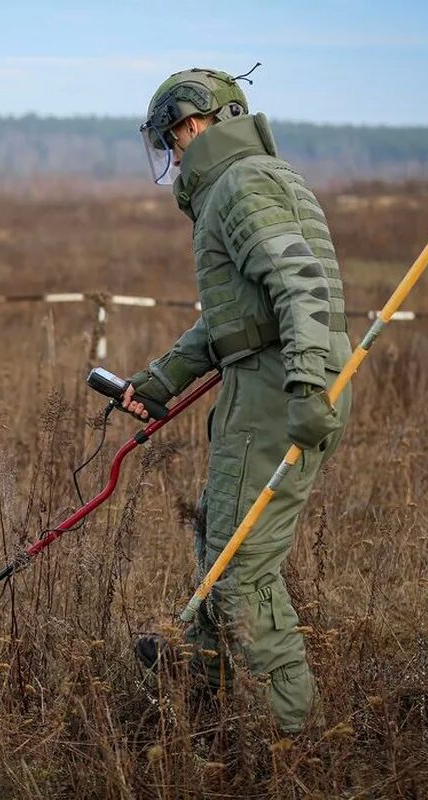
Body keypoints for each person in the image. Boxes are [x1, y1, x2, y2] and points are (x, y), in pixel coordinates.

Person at [122, 66, 352, 733]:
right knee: (218, 554)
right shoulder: (243, 182)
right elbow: (238, 316)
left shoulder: (243, 183)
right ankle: (205, 717)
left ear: (196, 123)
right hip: (265, 384)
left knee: (241, 574)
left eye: (173, 138)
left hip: (278, 391)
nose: (173, 154)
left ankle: (295, 739)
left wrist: (307, 385)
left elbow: (302, 284)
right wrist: (164, 376)